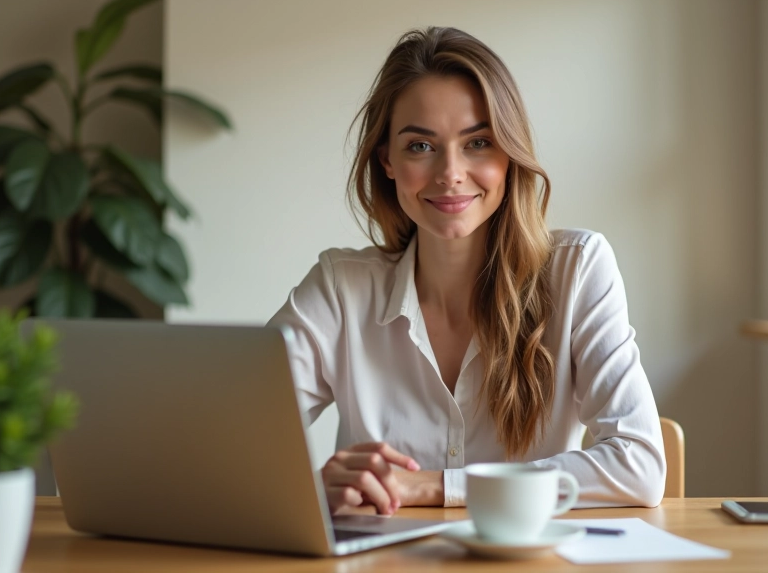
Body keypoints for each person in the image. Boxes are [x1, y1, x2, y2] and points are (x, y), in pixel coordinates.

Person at [267, 26, 665, 516]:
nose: (450, 173)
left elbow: (639, 466)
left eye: (477, 142)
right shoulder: (340, 289)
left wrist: (432, 487)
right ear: (386, 160)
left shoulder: (577, 269)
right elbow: (229, 443)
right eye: (420, 146)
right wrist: (312, 490)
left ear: (508, 154)